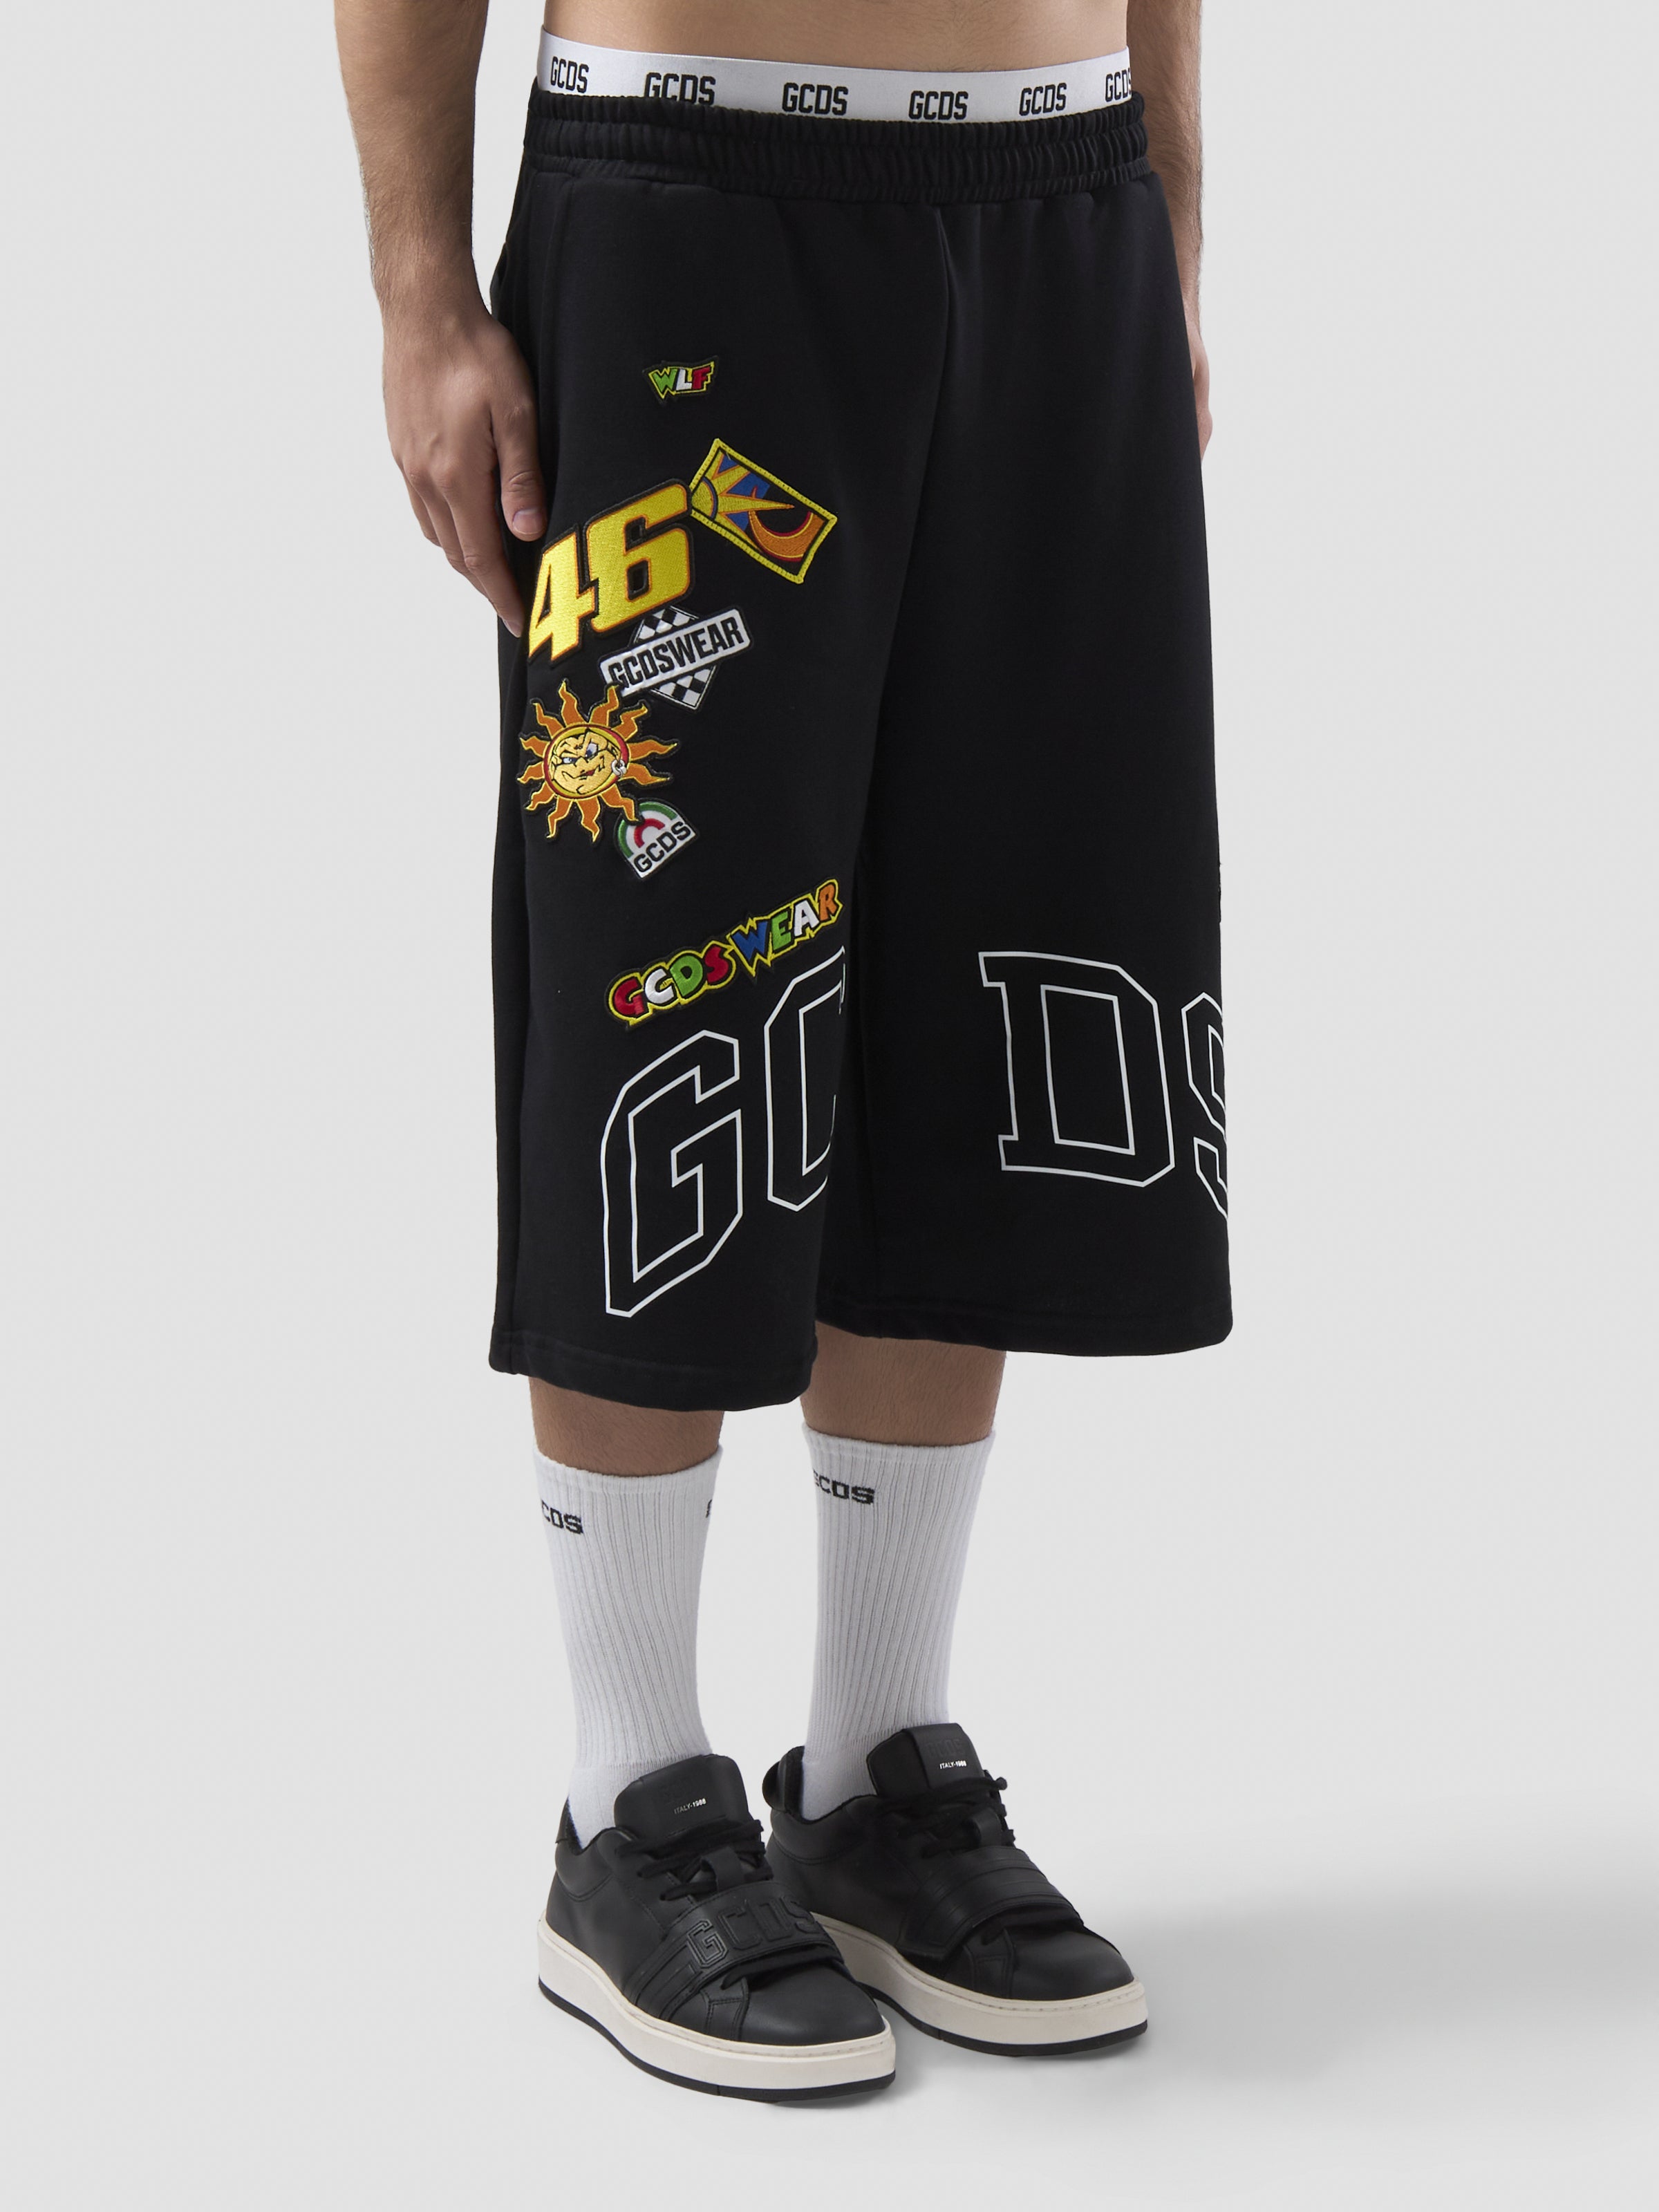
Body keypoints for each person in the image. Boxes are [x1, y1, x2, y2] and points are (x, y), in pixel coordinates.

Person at [337, 0, 1227, 2101]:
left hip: (1055, 204)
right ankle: (630, 1799)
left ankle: (872, 1774)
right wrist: (422, 292)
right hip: (691, 203)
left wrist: (1168, 211)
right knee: (671, 976)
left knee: (991, 965)